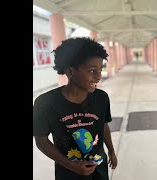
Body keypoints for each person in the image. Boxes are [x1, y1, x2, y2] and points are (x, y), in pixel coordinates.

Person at [33, 37, 117, 180]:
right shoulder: (45, 103)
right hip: (68, 174)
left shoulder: (101, 98)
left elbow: (103, 125)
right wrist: (70, 165)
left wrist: (111, 151)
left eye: (100, 69)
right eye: (92, 70)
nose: (98, 77)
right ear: (70, 72)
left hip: (99, 171)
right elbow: (41, 140)